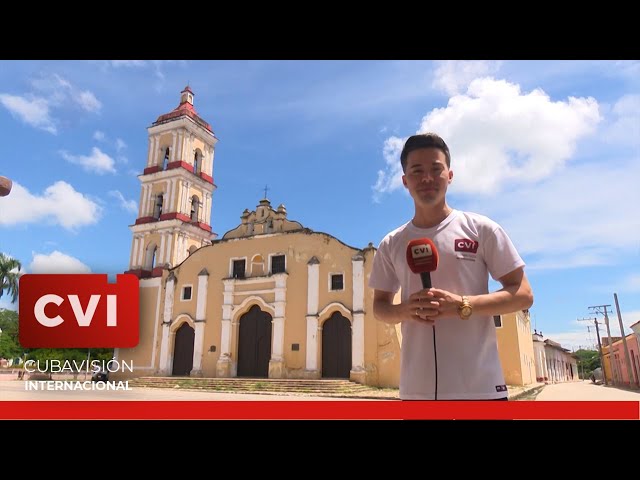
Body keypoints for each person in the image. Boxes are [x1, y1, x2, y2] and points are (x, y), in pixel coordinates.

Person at [369, 133, 533, 400]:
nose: (426, 178)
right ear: (404, 181)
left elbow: (523, 294)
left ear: (450, 175)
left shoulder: (482, 230)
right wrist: (406, 310)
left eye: (436, 169)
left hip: (482, 390)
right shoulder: (391, 243)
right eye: (417, 171)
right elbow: (380, 307)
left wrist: (462, 305)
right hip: (416, 393)